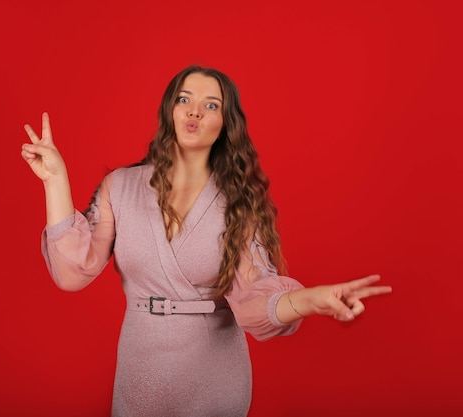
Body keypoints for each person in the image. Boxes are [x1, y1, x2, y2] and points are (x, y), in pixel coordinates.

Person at [20, 65, 392, 417]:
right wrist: (55, 181)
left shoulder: (239, 202)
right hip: (140, 376)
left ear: (224, 125)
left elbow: (256, 297)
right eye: (184, 100)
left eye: (210, 105)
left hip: (215, 380)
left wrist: (312, 299)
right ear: (170, 110)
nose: (194, 112)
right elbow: (74, 270)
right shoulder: (120, 186)